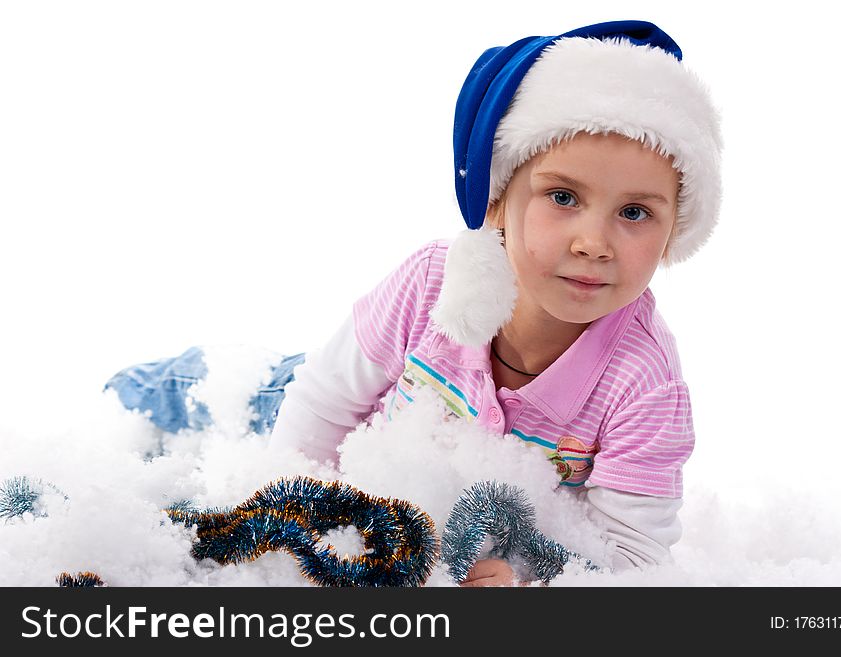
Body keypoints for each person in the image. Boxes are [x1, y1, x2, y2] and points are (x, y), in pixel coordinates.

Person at [106, 20, 721, 586]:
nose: (594, 243)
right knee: (230, 392)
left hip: (433, 492)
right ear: (496, 200)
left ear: (674, 234)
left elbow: (635, 557)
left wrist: (526, 573)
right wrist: (291, 501)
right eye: (562, 197)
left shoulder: (644, 385)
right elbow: (323, 400)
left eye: (635, 213)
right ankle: (131, 393)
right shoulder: (433, 280)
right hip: (342, 413)